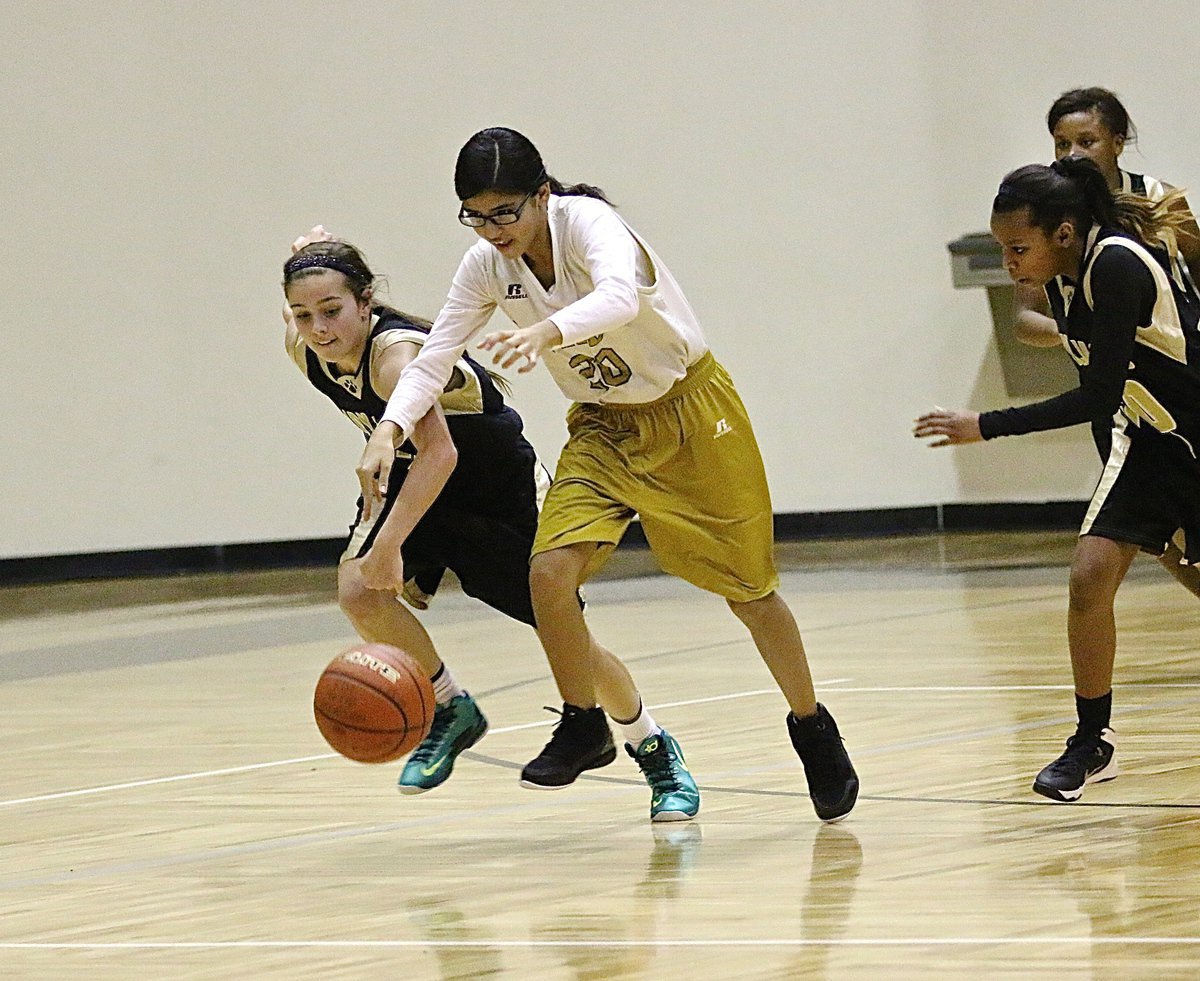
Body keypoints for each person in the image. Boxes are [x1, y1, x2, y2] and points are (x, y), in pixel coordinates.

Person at [357, 127, 859, 823]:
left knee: (750, 594)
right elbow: (437, 352)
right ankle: (584, 722)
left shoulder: (590, 223)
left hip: (689, 414)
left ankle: (812, 725)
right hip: (604, 427)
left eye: (506, 210)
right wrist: (389, 427)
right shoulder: (484, 265)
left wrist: (543, 332)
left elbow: (620, 296)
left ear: (541, 195)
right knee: (547, 572)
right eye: (476, 213)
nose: (493, 227)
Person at [914, 156, 1200, 802]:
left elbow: (1097, 393)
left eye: (1018, 248)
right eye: (1001, 249)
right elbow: (1114, 398)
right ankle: (1091, 741)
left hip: (1193, 434)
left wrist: (985, 423)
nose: (1009, 262)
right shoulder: (1066, 279)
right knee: (1089, 575)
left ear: (1063, 233)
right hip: (1150, 444)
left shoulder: (1116, 264)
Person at [283, 233, 546, 795]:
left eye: (332, 310)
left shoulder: (393, 361)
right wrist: (309, 255)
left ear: (367, 300)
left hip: (495, 492)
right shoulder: (304, 347)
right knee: (359, 593)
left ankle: (650, 744)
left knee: (560, 629)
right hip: (415, 477)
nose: (320, 329)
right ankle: (452, 707)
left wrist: (389, 545)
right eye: (304, 315)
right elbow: (423, 464)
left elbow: (442, 452)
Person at [1012, 87, 1200, 600]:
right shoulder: (1051, 216)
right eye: (1061, 143)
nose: (1072, 154)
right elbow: (1026, 317)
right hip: (1120, 403)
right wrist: (1085, 337)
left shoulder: (1162, 200)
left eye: (1086, 140)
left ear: (1117, 143)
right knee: (1164, 543)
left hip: (1179, 389)